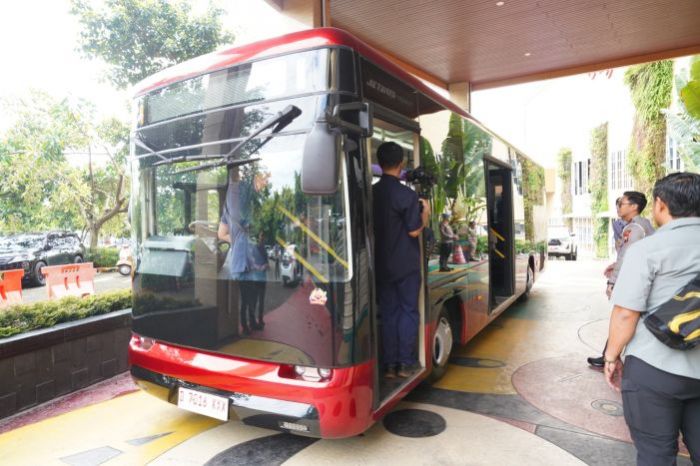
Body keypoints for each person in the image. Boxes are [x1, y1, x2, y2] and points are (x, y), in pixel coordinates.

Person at [604, 172, 700, 465]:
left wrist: (611, 356)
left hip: (654, 368)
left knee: (655, 454)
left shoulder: (647, 249)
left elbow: (625, 313)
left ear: (660, 204)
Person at [373, 141, 430, 379]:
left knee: (388, 313)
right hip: (405, 265)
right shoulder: (406, 195)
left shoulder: (371, 193)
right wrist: (424, 212)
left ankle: (388, 366)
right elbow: (414, 231)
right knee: (408, 311)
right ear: (401, 164)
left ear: (379, 163)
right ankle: (405, 364)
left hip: (380, 264)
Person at [588, 191, 654, 368]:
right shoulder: (643, 225)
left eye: (621, 203)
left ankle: (611, 358)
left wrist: (612, 281)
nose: (618, 207)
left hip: (635, 281)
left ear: (633, 207)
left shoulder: (634, 228)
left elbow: (626, 255)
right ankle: (608, 355)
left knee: (623, 317)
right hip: (643, 279)